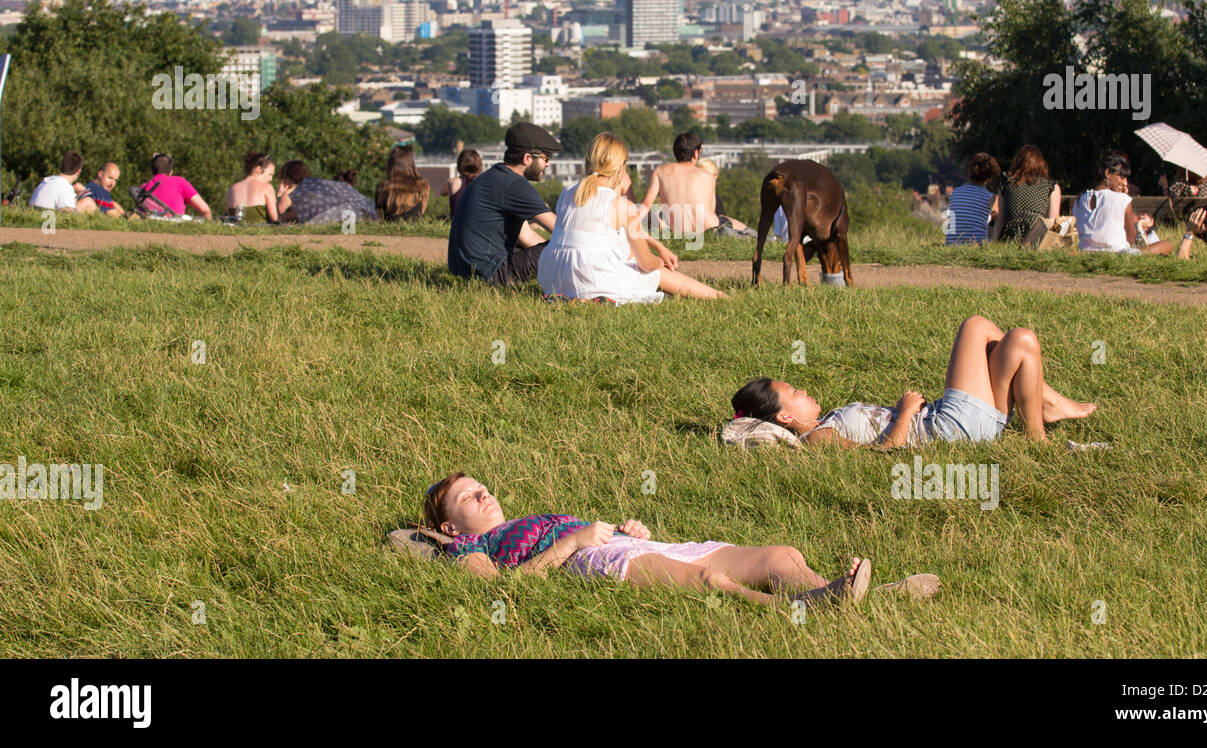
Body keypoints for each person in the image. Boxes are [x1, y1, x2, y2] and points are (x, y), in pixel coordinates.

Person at [401, 472, 943, 607]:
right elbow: (504, 592)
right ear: (450, 527)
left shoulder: (521, 524)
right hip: (588, 565)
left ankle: (847, 592)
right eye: (471, 498)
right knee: (712, 580)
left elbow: (592, 535)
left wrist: (626, 531)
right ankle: (806, 610)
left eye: (484, 488)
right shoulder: (468, 551)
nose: (486, 496)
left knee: (782, 554)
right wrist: (574, 543)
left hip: (618, 546)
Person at [731, 316, 1097, 449]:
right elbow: (881, 456)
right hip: (948, 429)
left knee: (1021, 342)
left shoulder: (827, 423)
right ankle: (1045, 405)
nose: (804, 390)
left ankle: (1038, 436)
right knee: (976, 326)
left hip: (964, 426)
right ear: (784, 418)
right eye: (793, 393)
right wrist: (905, 413)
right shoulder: (819, 438)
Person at [538, 133, 725, 303]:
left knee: (625, 252)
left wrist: (659, 246)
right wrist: (660, 261)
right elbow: (647, 263)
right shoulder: (620, 205)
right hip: (593, 282)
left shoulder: (567, 193)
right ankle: (720, 298)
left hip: (554, 277)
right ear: (621, 168)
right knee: (655, 272)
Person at [447, 122, 562, 285]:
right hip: (489, 274)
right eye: (546, 158)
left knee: (559, 249)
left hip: (466, 271)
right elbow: (563, 231)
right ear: (527, 158)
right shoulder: (514, 185)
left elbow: (526, 236)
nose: (548, 164)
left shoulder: (495, 177)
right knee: (566, 248)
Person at [1073, 152, 1171, 255]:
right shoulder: (1122, 199)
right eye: (1121, 176)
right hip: (1118, 253)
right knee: (1166, 244)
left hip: (1085, 252)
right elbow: (1131, 240)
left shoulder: (1080, 200)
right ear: (1107, 173)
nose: (1123, 182)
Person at [639, 132, 723, 237]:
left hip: (677, 231)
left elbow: (646, 204)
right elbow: (712, 209)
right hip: (708, 230)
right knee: (740, 227)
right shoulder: (707, 176)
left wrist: (631, 224)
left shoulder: (660, 171)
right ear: (696, 153)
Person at [992, 145, 1060, 244]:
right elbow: (1052, 221)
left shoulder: (1006, 183)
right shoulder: (1051, 187)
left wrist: (993, 242)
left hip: (1009, 239)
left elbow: (1000, 219)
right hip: (1036, 239)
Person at [275, 161, 377, 225]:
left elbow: (277, 218)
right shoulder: (309, 192)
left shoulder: (292, 194)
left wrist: (278, 197)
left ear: (286, 177)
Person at [945, 153, 1001, 245]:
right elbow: (998, 218)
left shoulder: (955, 192)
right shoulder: (991, 197)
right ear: (990, 177)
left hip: (952, 244)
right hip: (976, 244)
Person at [138, 153, 212, 219]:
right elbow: (205, 210)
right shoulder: (180, 182)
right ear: (171, 172)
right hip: (176, 226)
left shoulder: (143, 187)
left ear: (151, 171)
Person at [694, 158, 755, 237]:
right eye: (712, 176)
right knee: (727, 227)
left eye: (715, 176)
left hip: (716, 226)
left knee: (729, 221)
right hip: (707, 229)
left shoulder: (716, 197)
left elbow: (721, 217)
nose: (714, 179)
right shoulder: (696, 195)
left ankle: (759, 237)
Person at [374, 145, 430, 221]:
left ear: (391, 164)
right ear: (411, 163)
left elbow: (379, 216)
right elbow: (422, 211)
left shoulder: (383, 187)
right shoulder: (423, 185)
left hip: (390, 230)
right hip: (414, 227)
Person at [224, 152, 280, 223]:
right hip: (261, 232)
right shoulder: (266, 188)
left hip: (237, 231)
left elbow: (229, 217)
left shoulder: (231, 189)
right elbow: (275, 218)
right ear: (258, 169)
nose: (270, 179)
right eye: (270, 174)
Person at [440, 148, 483, 219]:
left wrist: (449, 182)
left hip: (457, 225)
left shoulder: (455, 182)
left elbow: (442, 193)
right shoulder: (483, 182)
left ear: (460, 165)